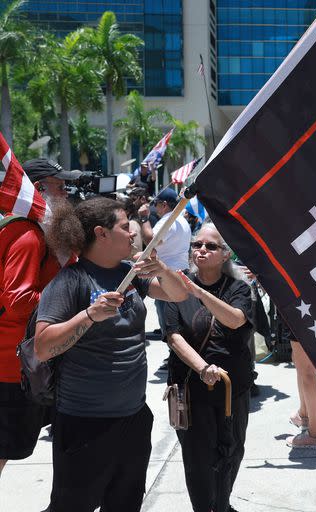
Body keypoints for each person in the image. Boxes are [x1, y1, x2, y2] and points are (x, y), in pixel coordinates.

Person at [34, 196, 187, 511]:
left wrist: (160, 268)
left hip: (133, 419)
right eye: (123, 226)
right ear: (101, 234)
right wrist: (88, 316)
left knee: (125, 504)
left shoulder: (130, 274)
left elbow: (177, 294)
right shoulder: (71, 281)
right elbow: (43, 346)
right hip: (84, 424)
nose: (132, 232)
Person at [165, 223, 253, 511]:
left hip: (231, 391)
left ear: (225, 254)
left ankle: (223, 504)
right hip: (192, 390)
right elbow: (174, 336)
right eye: (197, 244)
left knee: (232, 451)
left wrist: (200, 293)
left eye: (210, 246)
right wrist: (203, 368)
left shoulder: (238, 288)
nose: (201, 250)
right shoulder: (177, 287)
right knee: (198, 458)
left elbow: (235, 319)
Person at [0, 158, 79, 478]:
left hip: (25, 363)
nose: (66, 192)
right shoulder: (27, 233)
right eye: (60, 186)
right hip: (10, 367)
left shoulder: (41, 233)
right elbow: (18, 302)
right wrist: (68, 307)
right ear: (37, 190)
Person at [139, 188, 191, 339]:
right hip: (179, 273)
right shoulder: (181, 219)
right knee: (178, 322)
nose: (155, 207)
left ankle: (174, 357)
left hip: (168, 277)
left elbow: (151, 241)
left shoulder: (168, 220)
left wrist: (143, 218)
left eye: (156, 204)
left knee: (170, 326)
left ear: (164, 204)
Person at [287, 326, 316, 449]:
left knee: (307, 370)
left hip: (299, 311)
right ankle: (304, 414)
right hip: (301, 311)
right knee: (300, 363)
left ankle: (315, 435)